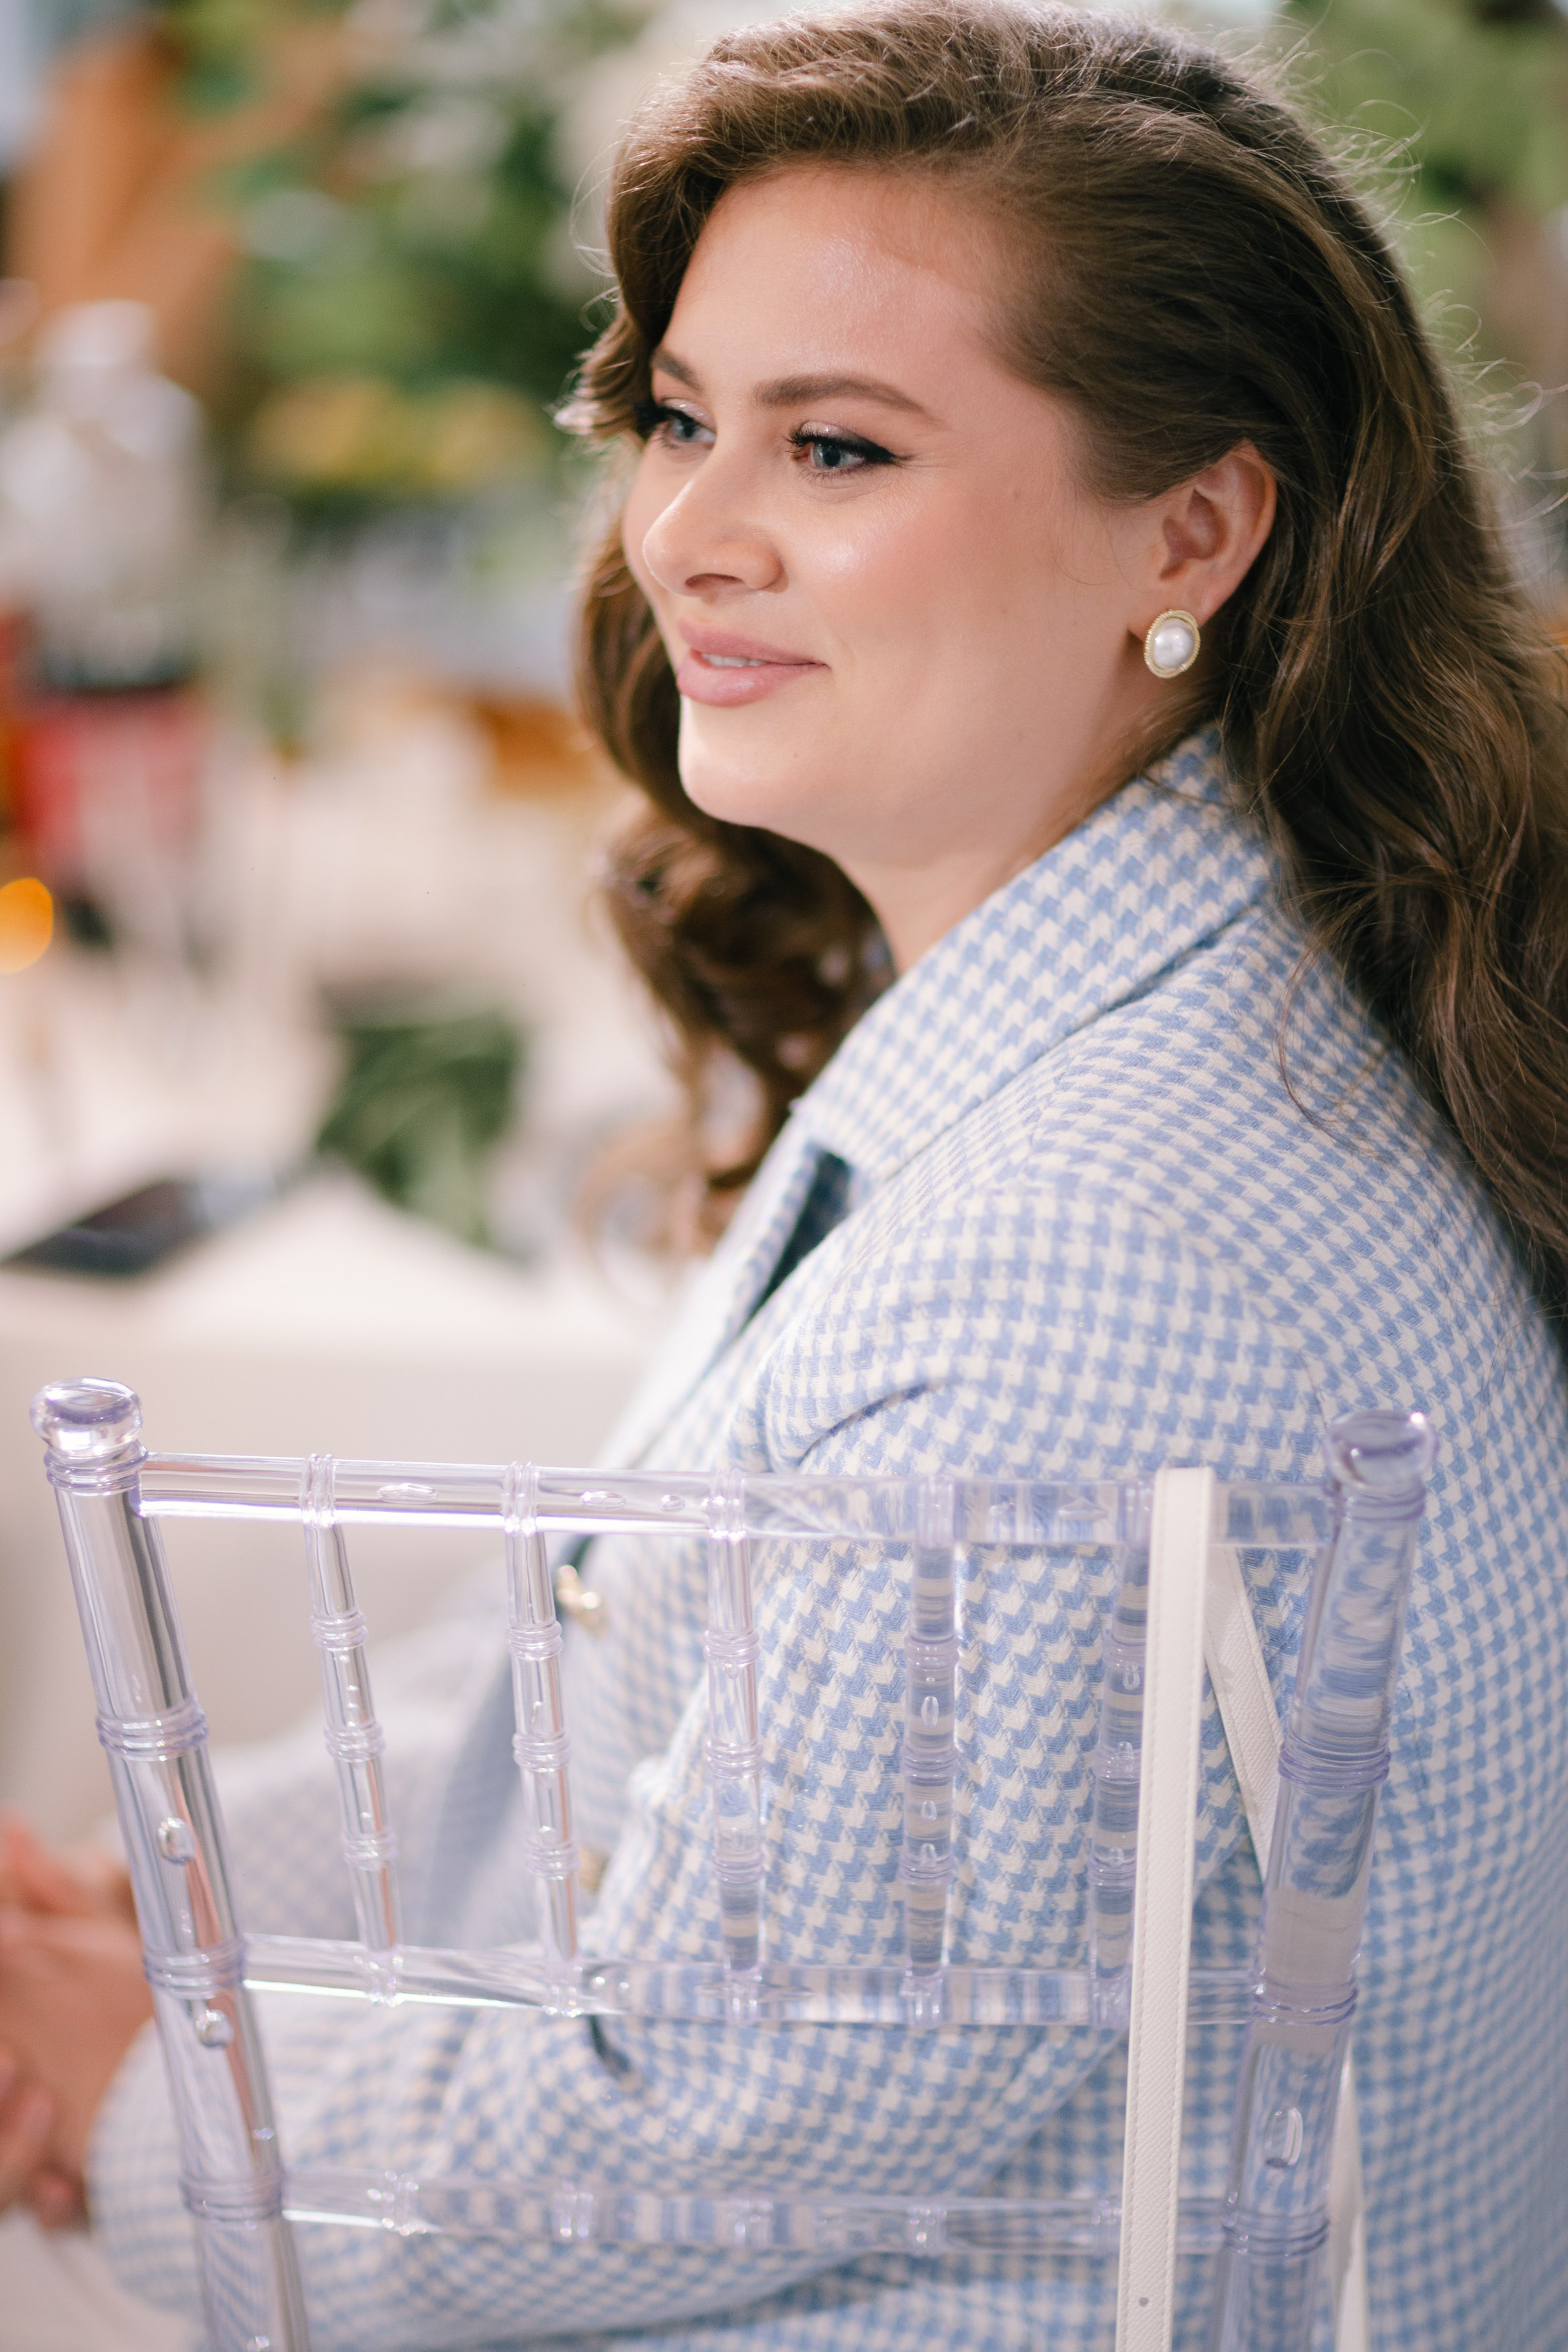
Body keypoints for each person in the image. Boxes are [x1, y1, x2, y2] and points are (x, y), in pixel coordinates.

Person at [4, 3, 1568, 2344]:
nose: (690, 534)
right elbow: (632, 1691)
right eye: (680, 415)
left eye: (836, 447)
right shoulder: (1196, 983)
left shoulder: (1083, 1255)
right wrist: (165, 1895)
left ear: (1195, 527)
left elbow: (685, 2141)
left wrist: (135, 2081)